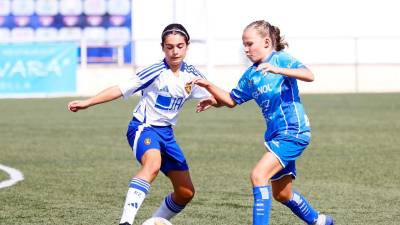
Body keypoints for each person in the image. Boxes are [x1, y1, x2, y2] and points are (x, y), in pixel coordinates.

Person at [189, 20, 334, 225]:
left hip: (294, 131)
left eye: (250, 44)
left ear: (266, 42)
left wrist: (278, 70)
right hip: (276, 135)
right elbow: (232, 100)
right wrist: (212, 93)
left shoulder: (281, 60)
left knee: (258, 175)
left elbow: (309, 75)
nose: (246, 49)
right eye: (244, 45)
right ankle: (321, 222)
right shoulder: (251, 75)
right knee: (282, 194)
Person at [67, 23, 210, 225]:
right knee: (153, 163)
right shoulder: (155, 71)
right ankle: (125, 222)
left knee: (185, 192)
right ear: (163, 47)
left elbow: (215, 96)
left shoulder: (193, 76)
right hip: (143, 128)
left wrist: (213, 100)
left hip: (167, 135)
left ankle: (153, 222)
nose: (175, 51)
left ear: (187, 46)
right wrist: (88, 102)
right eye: (170, 47)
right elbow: (120, 88)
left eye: (180, 46)